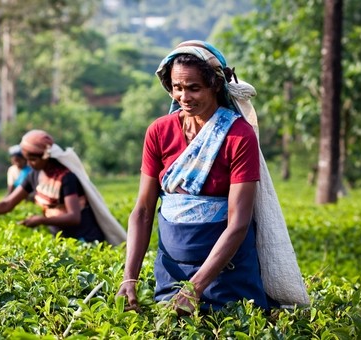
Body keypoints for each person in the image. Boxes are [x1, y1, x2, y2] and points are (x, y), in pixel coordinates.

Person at [116, 40, 308, 315]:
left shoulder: (238, 136)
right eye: (177, 88)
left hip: (227, 278)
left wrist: (195, 288)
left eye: (194, 88)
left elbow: (238, 223)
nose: (184, 97)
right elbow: (143, 211)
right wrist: (129, 277)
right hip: (171, 274)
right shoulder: (159, 132)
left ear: (216, 85)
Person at [0, 130, 127, 245]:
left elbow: (74, 216)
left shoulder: (66, 178)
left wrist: (42, 220)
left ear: (45, 157)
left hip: (85, 239)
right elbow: (8, 203)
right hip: (61, 238)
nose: (29, 164)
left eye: (32, 160)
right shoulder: (34, 175)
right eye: (27, 159)